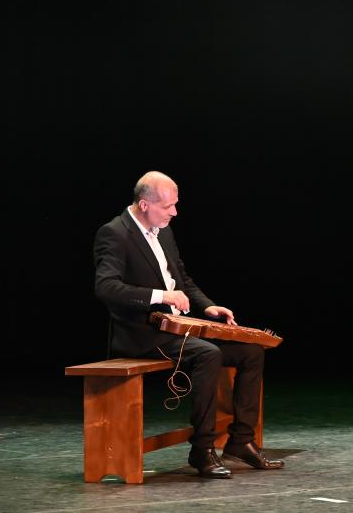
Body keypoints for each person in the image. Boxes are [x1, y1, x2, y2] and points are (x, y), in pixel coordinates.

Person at [93, 170, 285, 478]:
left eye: (175, 204)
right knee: (208, 354)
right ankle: (202, 449)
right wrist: (161, 296)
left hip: (177, 329)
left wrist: (208, 306)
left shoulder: (163, 231)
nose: (174, 212)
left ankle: (241, 441)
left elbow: (182, 279)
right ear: (144, 205)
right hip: (143, 334)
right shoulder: (114, 233)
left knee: (251, 352)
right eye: (168, 206)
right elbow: (106, 288)